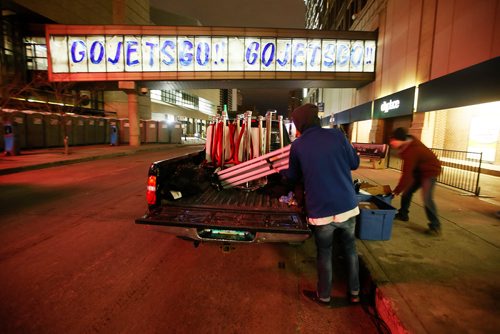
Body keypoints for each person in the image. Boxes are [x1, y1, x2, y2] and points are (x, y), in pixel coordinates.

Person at [281, 103, 361, 307]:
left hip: (321, 210)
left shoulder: (298, 145)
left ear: (300, 123)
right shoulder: (337, 136)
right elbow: (354, 164)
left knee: (325, 252)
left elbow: (292, 177)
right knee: (350, 250)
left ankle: (324, 296)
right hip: (347, 206)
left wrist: (281, 174)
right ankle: (355, 293)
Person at [389, 127, 442, 236]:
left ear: (400, 140)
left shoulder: (412, 150)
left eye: (393, 140)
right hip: (419, 172)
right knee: (407, 193)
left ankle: (435, 226)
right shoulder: (406, 145)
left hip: (430, 172)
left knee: (427, 198)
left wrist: (396, 191)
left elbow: (407, 175)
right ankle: (403, 214)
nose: (391, 143)